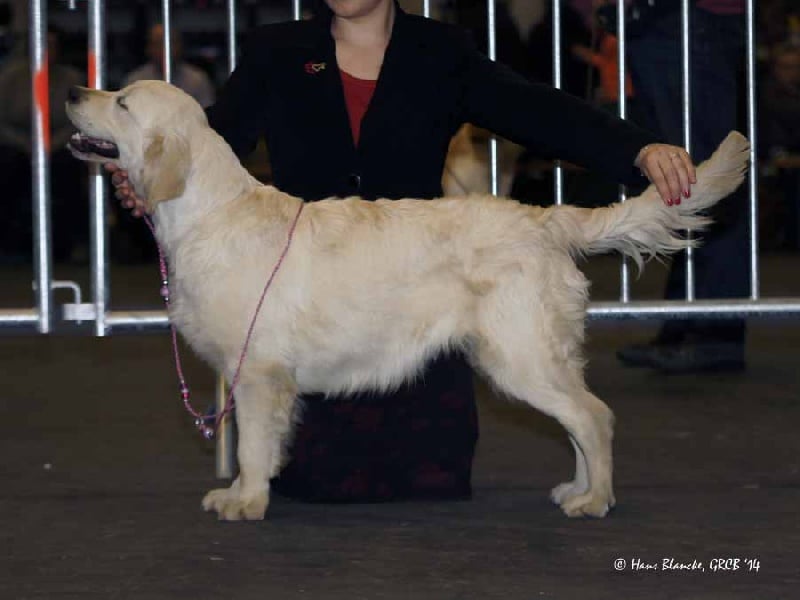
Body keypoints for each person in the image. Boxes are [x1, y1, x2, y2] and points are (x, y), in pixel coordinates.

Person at [107, 0, 694, 503]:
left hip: (420, 298)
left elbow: (538, 111)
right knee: (322, 489)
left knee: (427, 485)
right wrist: (143, 174)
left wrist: (637, 150)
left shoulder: (440, 50)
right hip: (317, 321)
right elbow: (208, 143)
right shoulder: (278, 49)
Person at [614, 0, 750, 373]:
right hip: (671, 19)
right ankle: (687, 326)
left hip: (684, 18)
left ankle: (713, 334)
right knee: (685, 179)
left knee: (705, 179)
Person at [0, 25, 86, 262]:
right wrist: (27, 145)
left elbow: (78, 121)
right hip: (18, 147)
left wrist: (49, 145)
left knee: (67, 168)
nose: (46, 50)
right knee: (7, 166)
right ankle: (9, 244)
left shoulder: (73, 79)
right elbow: (1, 122)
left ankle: (67, 243)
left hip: (59, 147)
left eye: (52, 45)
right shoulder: (9, 78)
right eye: (41, 44)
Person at [124, 23, 215, 108]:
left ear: (180, 46)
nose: (164, 49)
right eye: (157, 43)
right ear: (148, 48)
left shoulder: (197, 80)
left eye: (170, 43)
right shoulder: (135, 81)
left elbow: (206, 115)